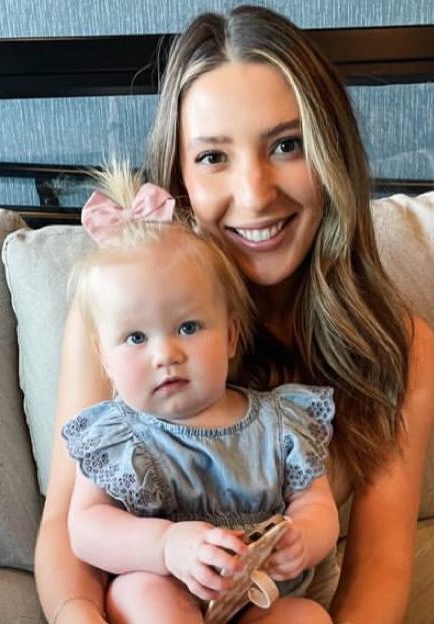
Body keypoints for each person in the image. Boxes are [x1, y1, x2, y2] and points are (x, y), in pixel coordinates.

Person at [34, 5, 434, 624]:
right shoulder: (123, 320)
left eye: (286, 145)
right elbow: (68, 529)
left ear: (331, 155)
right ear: (179, 177)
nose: (254, 193)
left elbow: (381, 564)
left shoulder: (395, 345)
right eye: (213, 157)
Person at [60, 197, 339, 623]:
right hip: (164, 585)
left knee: (308, 617)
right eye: (136, 338)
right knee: (140, 593)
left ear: (230, 336)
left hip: (256, 596)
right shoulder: (116, 435)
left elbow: (317, 505)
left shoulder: (282, 423)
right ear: (104, 358)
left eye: (188, 327)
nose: (165, 355)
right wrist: (165, 545)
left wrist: (304, 538)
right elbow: (86, 528)